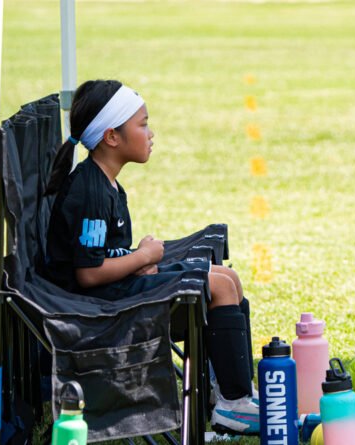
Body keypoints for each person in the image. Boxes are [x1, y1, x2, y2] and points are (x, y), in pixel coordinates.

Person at [42, 80, 259, 435]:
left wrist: (134, 259)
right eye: (142, 124)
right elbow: (88, 274)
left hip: (111, 291)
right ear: (112, 137)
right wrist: (141, 255)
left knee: (226, 278)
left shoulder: (105, 182)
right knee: (218, 286)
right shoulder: (91, 191)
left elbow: (99, 256)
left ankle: (234, 393)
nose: (151, 132)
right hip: (98, 309)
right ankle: (232, 407)